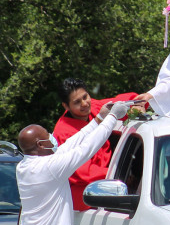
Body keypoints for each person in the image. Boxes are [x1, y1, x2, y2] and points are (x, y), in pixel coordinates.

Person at [53, 77, 138, 210]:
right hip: (85, 193)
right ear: (66, 106)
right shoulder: (63, 132)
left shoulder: (95, 108)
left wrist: (139, 103)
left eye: (85, 97)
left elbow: (123, 101)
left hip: (109, 176)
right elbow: (83, 172)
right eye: (77, 102)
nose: (85, 104)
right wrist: (119, 176)